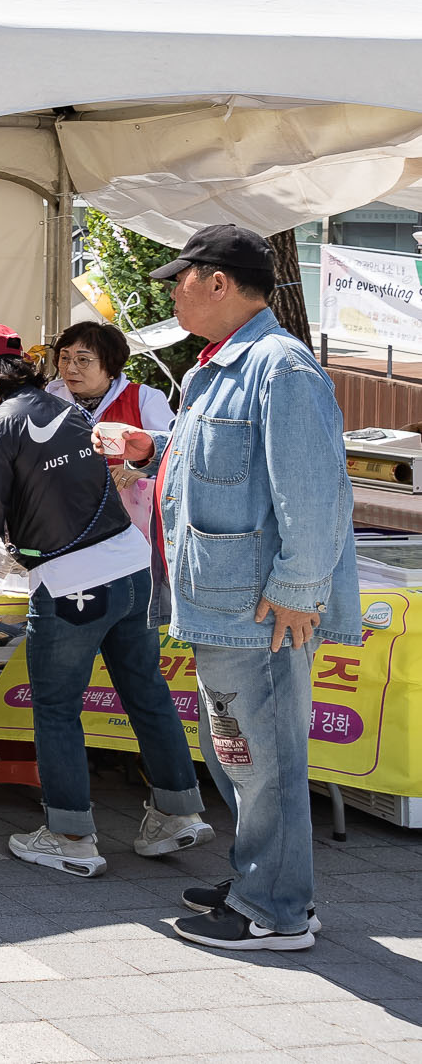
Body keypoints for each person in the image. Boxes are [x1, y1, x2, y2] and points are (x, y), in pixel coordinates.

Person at [93, 225, 358, 952]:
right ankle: (259, 879)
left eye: (181, 278)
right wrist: (155, 451)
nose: (172, 291)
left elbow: (314, 491)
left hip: (265, 609)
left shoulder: (280, 367)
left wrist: (300, 587)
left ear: (218, 281)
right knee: (239, 752)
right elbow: (230, 465)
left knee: (263, 756)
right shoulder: (224, 365)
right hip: (230, 603)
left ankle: (274, 909)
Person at [0, 324, 209, 878]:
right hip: (133, 568)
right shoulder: (69, 413)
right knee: (147, 694)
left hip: (72, 583)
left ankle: (71, 835)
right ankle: (178, 813)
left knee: (57, 708)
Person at [50, 319, 175, 532]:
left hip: (131, 524)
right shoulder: (47, 401)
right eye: (64, 358)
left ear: (110, 366)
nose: (70, 368)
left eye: (82, 360)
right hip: (63, 519)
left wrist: (143, 469)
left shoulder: (144, 398)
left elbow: (173, 452)